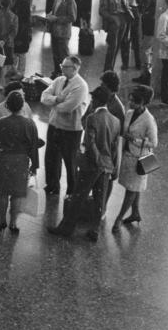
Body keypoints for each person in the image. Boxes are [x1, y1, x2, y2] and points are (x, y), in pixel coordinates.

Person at [49, 86, 120, 242]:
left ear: (97, 101)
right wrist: (111, 166)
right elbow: (115, 147)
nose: (92, 101)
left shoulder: (92, 119)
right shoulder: (115, 121)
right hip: (107, 166)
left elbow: (90, 143)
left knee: (78, 197)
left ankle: (66, 228)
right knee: (99, 198)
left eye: (93, 99)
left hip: (92, 165)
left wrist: (97, 160)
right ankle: (94, 229)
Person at [0, 90, 40, 234]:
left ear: (7, 106)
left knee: (3, 193)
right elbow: (34, 146)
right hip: (21, 162)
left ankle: (1, 220)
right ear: (22, 106)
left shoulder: (2, 122)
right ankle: (13, 223)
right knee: (17, 194)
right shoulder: (29, 124)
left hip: (3, 161)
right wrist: (34, 165)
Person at [40, 55, 89, 197]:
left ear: (75, 69)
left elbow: (67, 107)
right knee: (51, 158)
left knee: (70, 161)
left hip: (70, 130)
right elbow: (44, 96)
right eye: (62, 65)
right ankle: (52, 185)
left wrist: (53, 103)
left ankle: (72, 191)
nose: (61, 68)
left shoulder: (81, 86)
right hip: (54, 125)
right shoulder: (59, 80)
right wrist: (56, 99)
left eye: (65, 66)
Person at [112, 84, 158, 230]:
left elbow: (154, 142)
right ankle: (135, 213)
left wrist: (134, 140)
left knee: (131, 189)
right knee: (134, 187)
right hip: (129, 155)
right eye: (130, 100)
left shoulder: (149, 120)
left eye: (134, 101)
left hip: (140, 159)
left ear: (143, 102)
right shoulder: (130, 113)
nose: (130, 103)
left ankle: (118, 219)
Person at [46, 0, 78, 75]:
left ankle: (66, 75)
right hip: (55, 30)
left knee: (63, 55)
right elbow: (55, 9)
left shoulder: (70, 1)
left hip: (63, 33)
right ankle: (57, 72)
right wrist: (51, 14)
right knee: (55, 54)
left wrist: (56, 18)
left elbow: (72, 18)